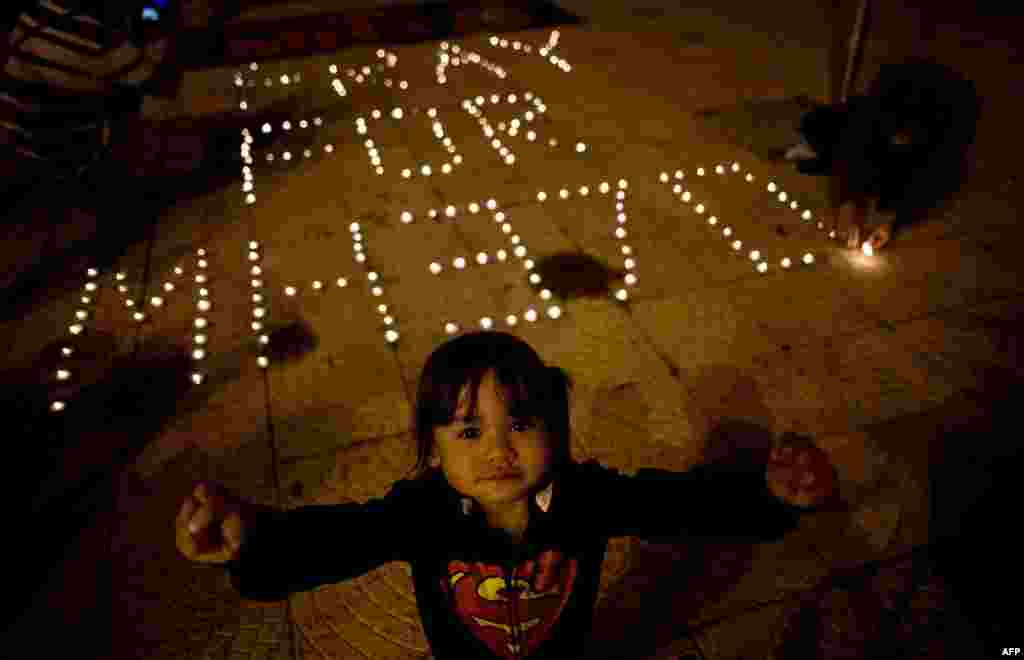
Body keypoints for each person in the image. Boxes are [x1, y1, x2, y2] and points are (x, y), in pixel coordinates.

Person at [176, 331, 841, 660]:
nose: (498, 449)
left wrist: (770, 497)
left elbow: (678, 504)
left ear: (557, 431)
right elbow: (338, 540)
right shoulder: (422, 512)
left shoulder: (587, 497)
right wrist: (252, 539)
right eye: (470, 430)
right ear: (434, 448)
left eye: (521, 423)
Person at [785, 59, 978, 252]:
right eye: (895, 135)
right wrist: (846, 202)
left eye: (904, 138)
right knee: (827, 138)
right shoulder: (867, 118)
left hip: (925, 134)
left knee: (893, 188)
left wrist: (891, 225)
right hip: (860, 121)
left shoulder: (938, 152)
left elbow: (928, 190)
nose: (898, 139)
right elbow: (851, 152)